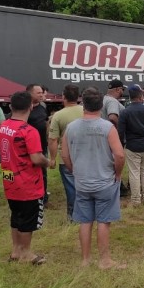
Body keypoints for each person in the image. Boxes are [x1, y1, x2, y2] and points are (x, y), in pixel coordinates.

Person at [61, 87, 126, 269]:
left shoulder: (71, 128)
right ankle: (105, 260)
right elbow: (119, 155)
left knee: (85, 221)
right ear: (100, 106)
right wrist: (118, 173)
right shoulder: (107, 127)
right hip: (105, 181)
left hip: (82, 182)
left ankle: (85, 260)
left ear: (83, 105)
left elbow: (64, 155)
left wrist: (74, 170)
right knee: (104, 221)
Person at [0, 91, 49, 264]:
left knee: (16, 214)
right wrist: (48, 162)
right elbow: (36, 158)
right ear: (31, 107)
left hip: (8, 177)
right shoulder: (29, 131)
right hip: (27, 181)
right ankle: (26, 252)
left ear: (10, 106)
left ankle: (15, 250)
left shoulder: (3, 126)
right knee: (28, 218)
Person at [48, 84, 83, 220]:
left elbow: (53, 140)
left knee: (71, 187)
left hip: (66, 157)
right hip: (86, 156)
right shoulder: (86, 111)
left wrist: (52, 158)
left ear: (64, 97)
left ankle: (73, 215)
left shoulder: (58, 115)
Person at [25, 84, 49, 206]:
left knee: (42, 173)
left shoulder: (43, 106)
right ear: (30, 94)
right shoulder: (24, 108)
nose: (41, 95)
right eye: (38, 93)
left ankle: (43, 198)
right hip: (25, 148)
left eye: (41, 92)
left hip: (41, 147)